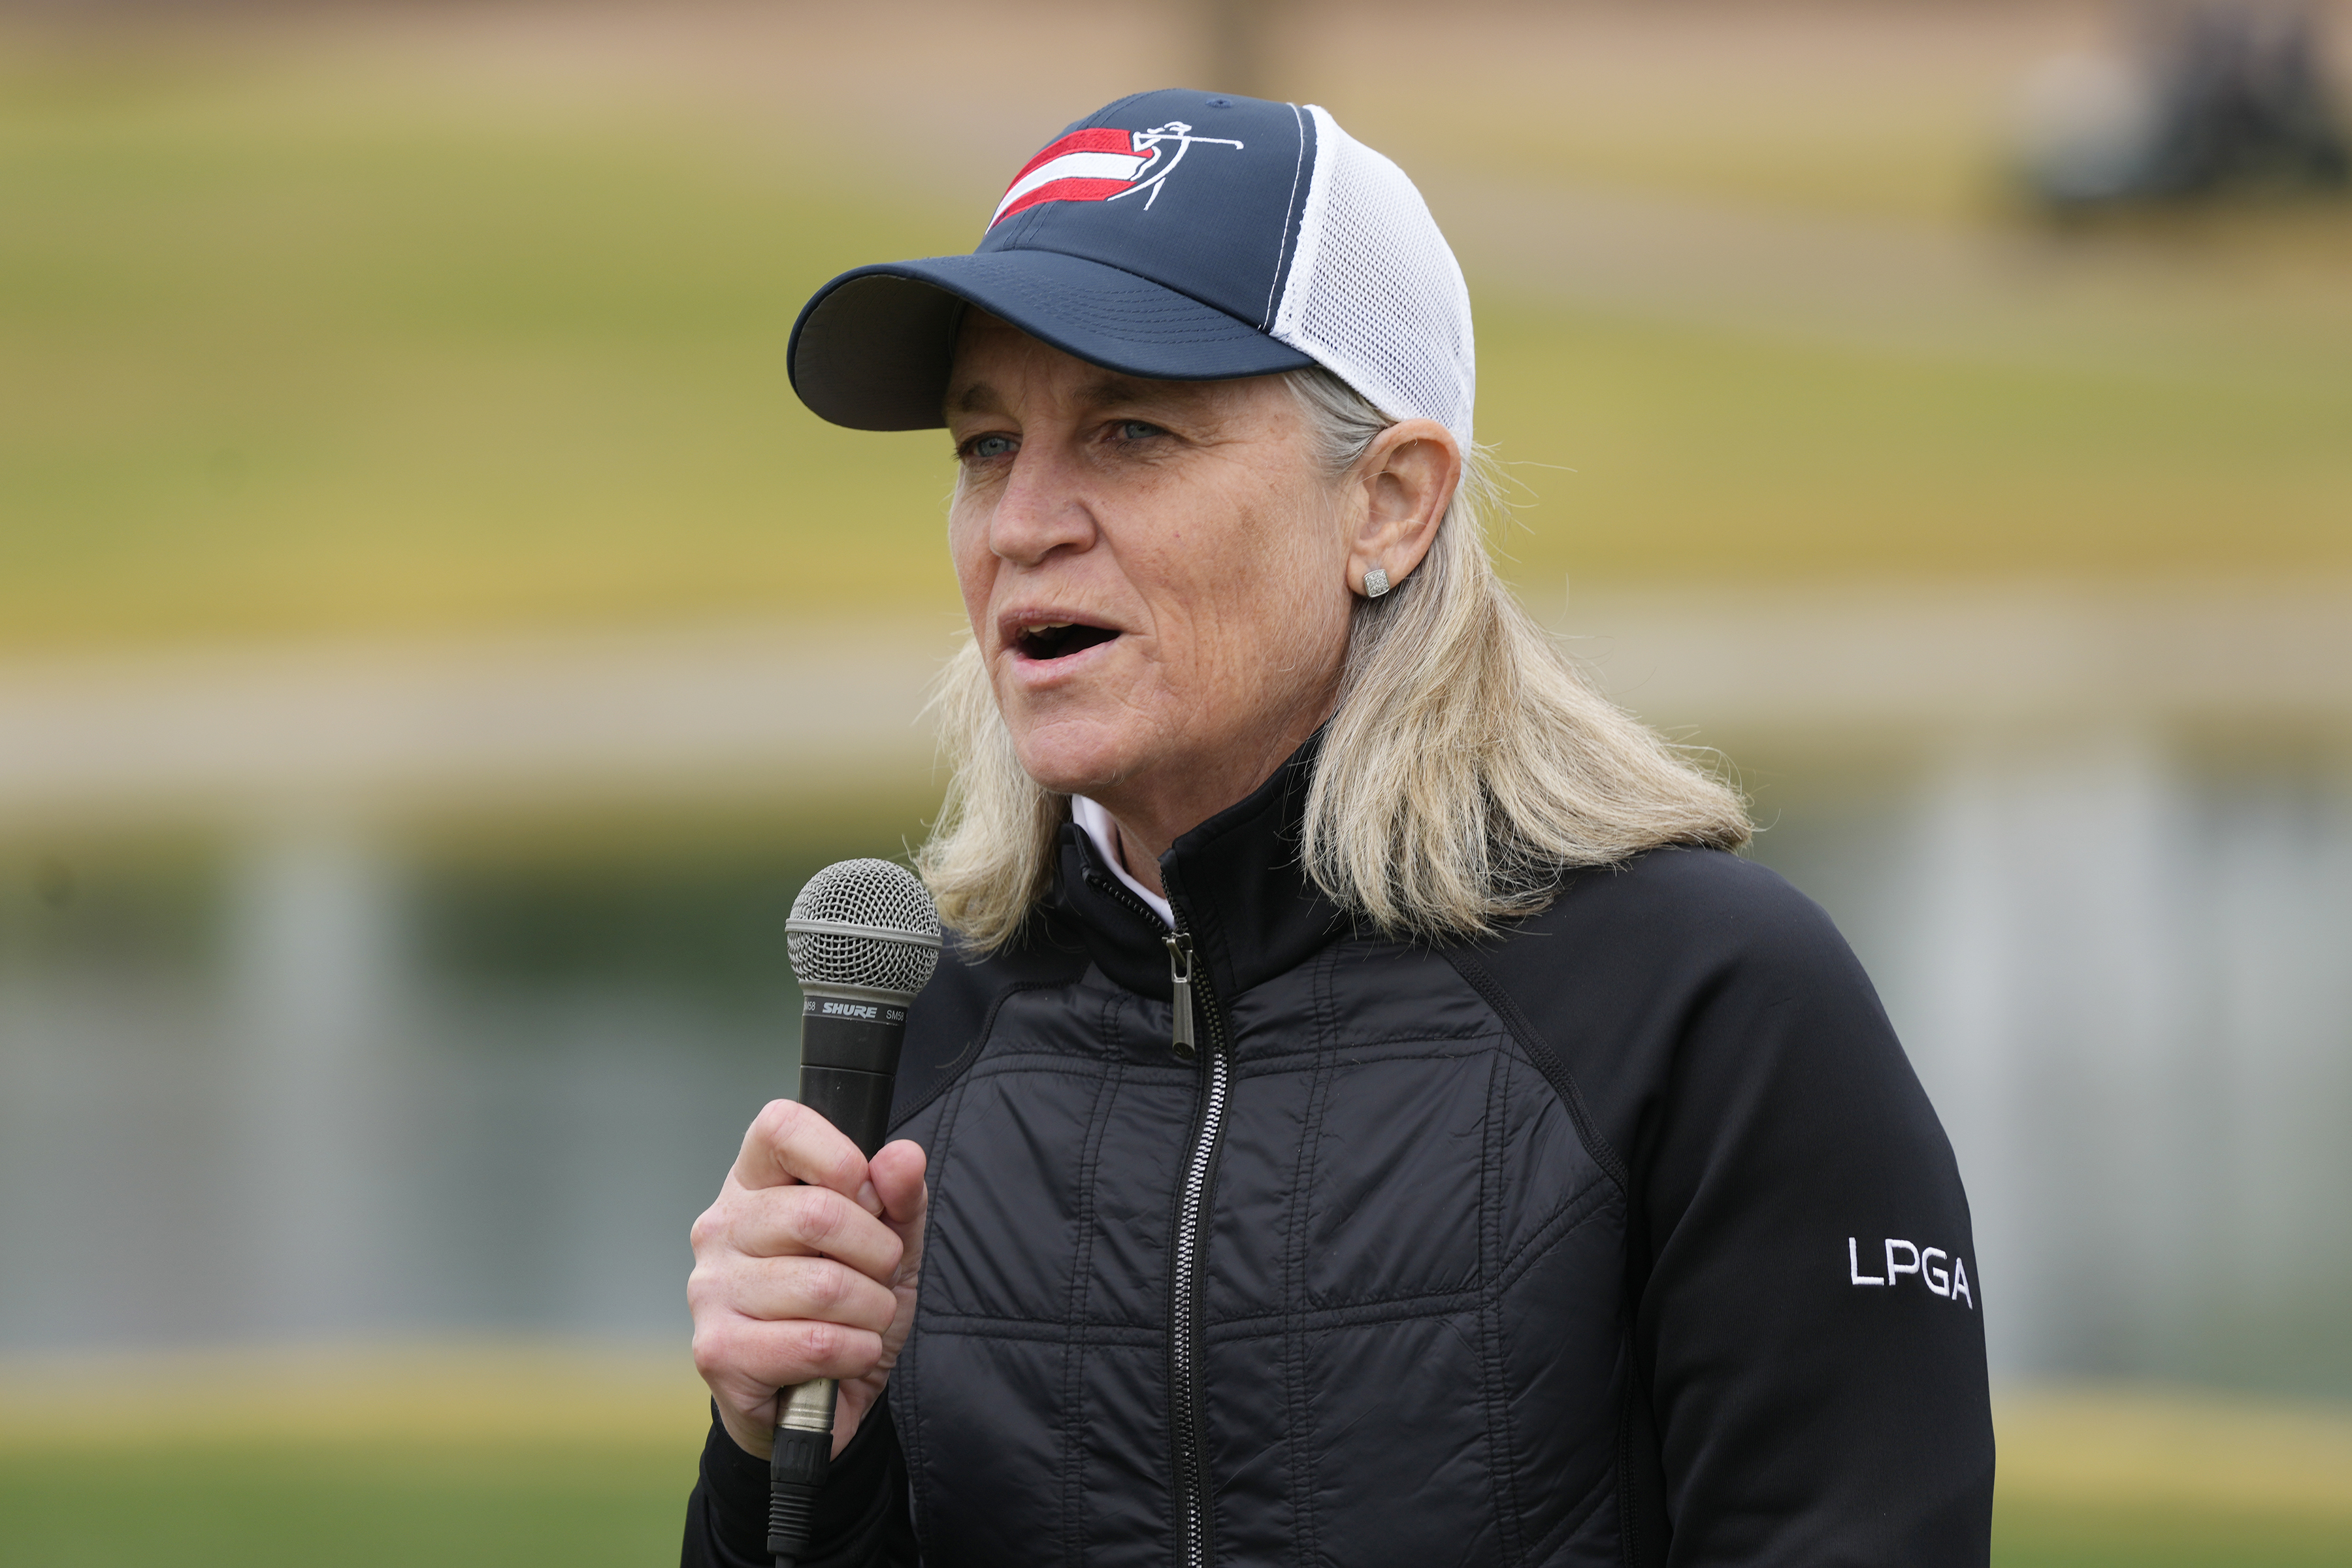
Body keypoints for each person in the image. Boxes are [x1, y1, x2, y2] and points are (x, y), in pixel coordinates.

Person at [682, 89, 1993, 1567]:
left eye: (1129, 431)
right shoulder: (932, 1038)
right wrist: (785, 1463)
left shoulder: (1712, 1008)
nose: (1021, 522)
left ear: (1389, 505)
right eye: (985, 445)